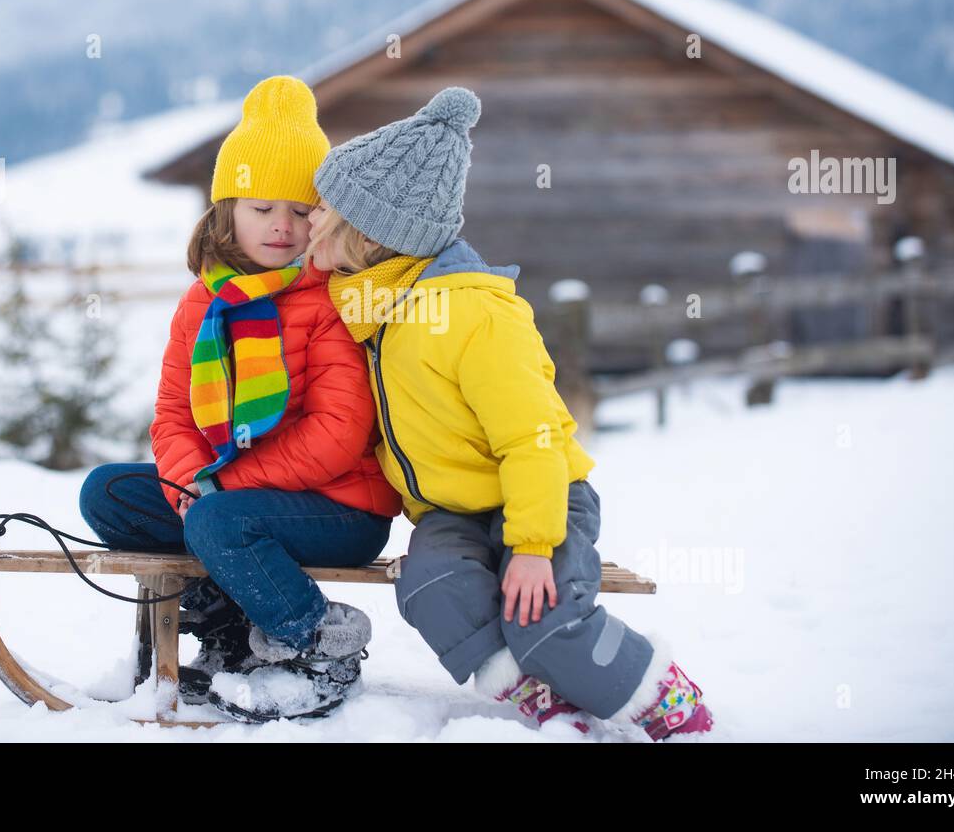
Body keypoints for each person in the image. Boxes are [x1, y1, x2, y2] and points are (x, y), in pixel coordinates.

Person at [302, 85, 714, 738]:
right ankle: (541, 698)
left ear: (368, 228)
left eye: (323, 207)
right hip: (455, 513)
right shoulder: (374, 306)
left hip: (543, 499)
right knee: (427, 584)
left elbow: (535, 436)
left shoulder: (470, 311)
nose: (308, 218)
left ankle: (658, 695)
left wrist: (529, 543)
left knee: (541, 618)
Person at [78, 75, 402, 721]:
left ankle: (320, 643)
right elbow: (173, 416)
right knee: (107, 493)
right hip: (229, 499)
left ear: (324, 213)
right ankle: (229, 630)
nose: (282, 226)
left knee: (215, 519)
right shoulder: (204, 300)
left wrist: (223, 485)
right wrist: (188, 484)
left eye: (300, 209)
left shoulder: (332, 294)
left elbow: (339, 431)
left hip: (338, 507)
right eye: (261, 209)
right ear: (226, 210)